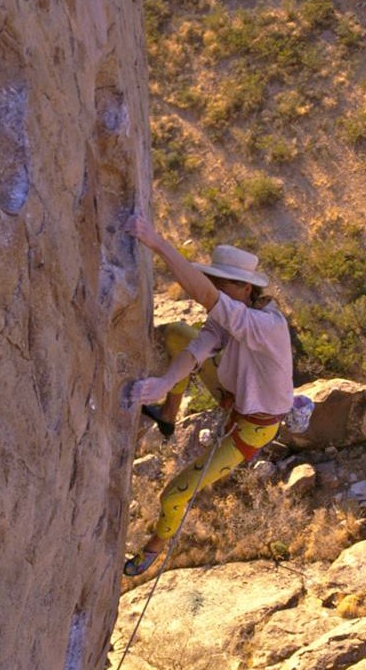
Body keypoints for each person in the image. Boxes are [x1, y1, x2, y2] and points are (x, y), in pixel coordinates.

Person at [122, 213, 294, 577]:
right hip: (234, 396)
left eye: (222, 285)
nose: (215, 290)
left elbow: (203, 295)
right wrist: (167, 382)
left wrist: (157, 243)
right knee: (177, 334)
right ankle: (169, 413)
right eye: (215, 282)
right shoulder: (233, 315)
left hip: (254, 426)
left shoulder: (264, 325)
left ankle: (155, 547)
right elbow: (196, 350)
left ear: (246, 290)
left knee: (174, 495)